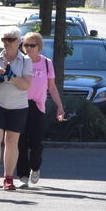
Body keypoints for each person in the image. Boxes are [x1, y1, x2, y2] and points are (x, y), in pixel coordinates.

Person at [0, 28, 33, 190]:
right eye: (4, 39)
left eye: (10, 39)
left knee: (11, 141)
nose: (6, 42)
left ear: (19, 42)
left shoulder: (25, 60)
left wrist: (11, 76)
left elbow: (26, 86)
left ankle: (9, 177)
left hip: (18, 106)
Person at [15, 31, 66, 188]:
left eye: (32, 45)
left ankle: (35, 168)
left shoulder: (46, 63)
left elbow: (51, 86)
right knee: (20, 142)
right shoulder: (20, 62)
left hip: (37, 105)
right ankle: (23, 175)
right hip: (19, 104)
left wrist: (60, 106)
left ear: (39, 47)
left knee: (36, 142)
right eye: (26, 45)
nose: (28, 48)